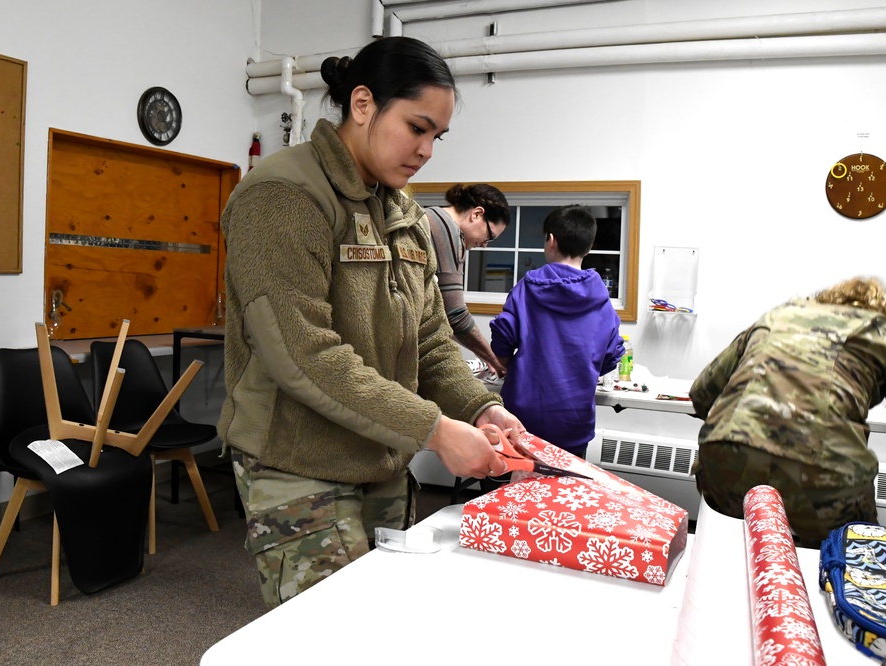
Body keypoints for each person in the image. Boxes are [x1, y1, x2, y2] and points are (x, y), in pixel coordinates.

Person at [216, 36, 523, 608]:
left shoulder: (403, 211)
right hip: (299, 464)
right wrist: (434, 430)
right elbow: (304, 356)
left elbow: (430, 342)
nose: (428, 149)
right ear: (363, 105)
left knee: (385, 622)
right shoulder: (283, 196)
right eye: (417, 127)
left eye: (438, 135)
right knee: (328, 636)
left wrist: (481, 408)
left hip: (381, 462)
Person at [689, 276, 886, 546]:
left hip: (726, 455)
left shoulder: (781, 315)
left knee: (730, 551)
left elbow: (702, 393)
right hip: (827, 475)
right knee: (849, 564)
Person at [489, 205, 625, 458]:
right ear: (589, 247)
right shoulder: (602, 300)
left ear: (550, 240)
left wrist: (506, 364)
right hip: (573, 420)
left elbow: (502, 341)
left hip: (522, 417)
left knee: (516, 493)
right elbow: (610, 357)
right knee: (564, 493)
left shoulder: (526, 288)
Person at [425, 183, 511, 378]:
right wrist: (493, 360)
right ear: (477, 214)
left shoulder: (432, 215)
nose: (484, 245)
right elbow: (455, 314)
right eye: (489, 236)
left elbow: (442, 317)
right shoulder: (446, 229)